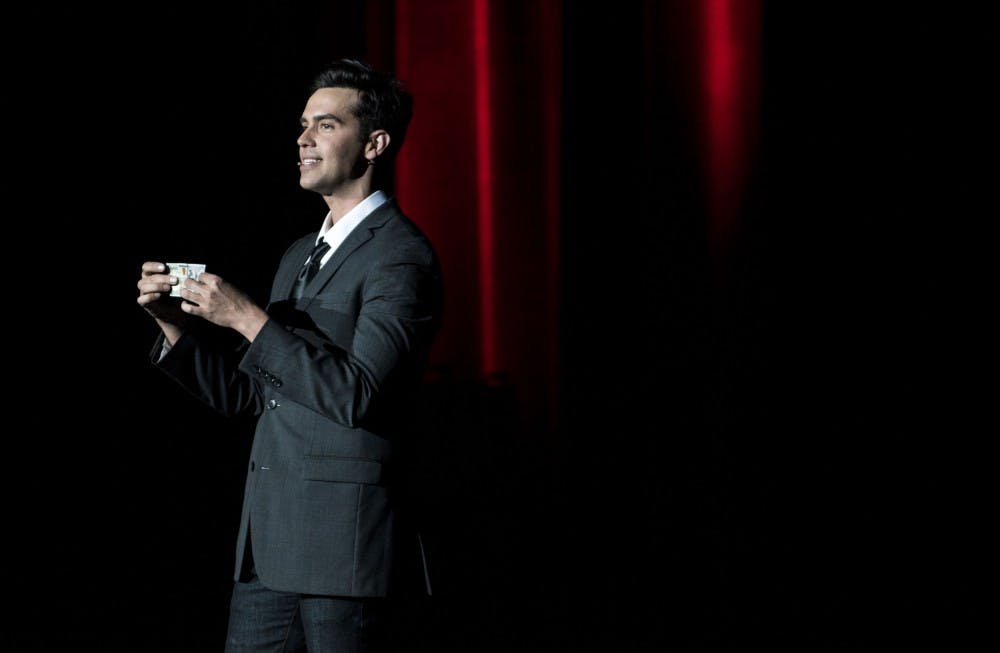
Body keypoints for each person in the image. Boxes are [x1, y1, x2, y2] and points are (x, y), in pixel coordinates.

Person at [136, 58, 443, 652]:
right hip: (266, 549)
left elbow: (361, 395)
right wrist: (174, 327)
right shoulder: (301, 251)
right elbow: (254, 396)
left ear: (375, 143)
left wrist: (248, 318)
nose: (302, 140)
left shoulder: (401, 257)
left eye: (325, 126)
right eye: (303, 125)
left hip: (341, 555)